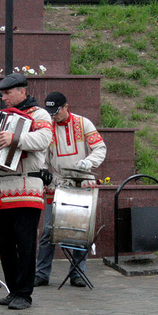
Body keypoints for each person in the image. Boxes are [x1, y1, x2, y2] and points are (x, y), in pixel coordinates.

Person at [0, 73, 52, 310]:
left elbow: (44, 138)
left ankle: (24, 294)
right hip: (4, 188)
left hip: (27, 187)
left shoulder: (40, 114)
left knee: (25, 243)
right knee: (5, 243)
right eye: (2, 94)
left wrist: (14, 138)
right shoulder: (2, 118)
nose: (4, 98)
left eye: (8, 93)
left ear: (23, 92)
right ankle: (13, 289)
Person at [34, 91, 107, 287]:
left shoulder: (84, 124)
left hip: (83, 181)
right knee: (48, 230)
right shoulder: (47, 127)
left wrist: (88, 162)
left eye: (56, 112)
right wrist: (43, 170)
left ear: (66, 107)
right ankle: (41, 273)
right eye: (50, 112)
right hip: (58, 183)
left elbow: (100, 148)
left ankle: (77, 272)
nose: (53, 116)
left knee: (81, 229)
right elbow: (40, 153)